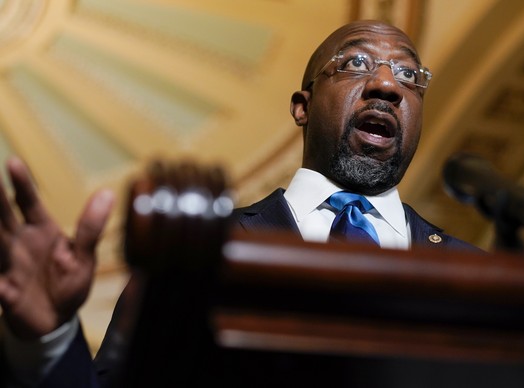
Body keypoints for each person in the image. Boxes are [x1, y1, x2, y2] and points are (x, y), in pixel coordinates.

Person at [0, 20, 479, 387]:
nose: (387, 86)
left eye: (409, 75)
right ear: (302, 106)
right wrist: (50, 339)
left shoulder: (473, 273)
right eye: (355, 64)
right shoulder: (193, 254)